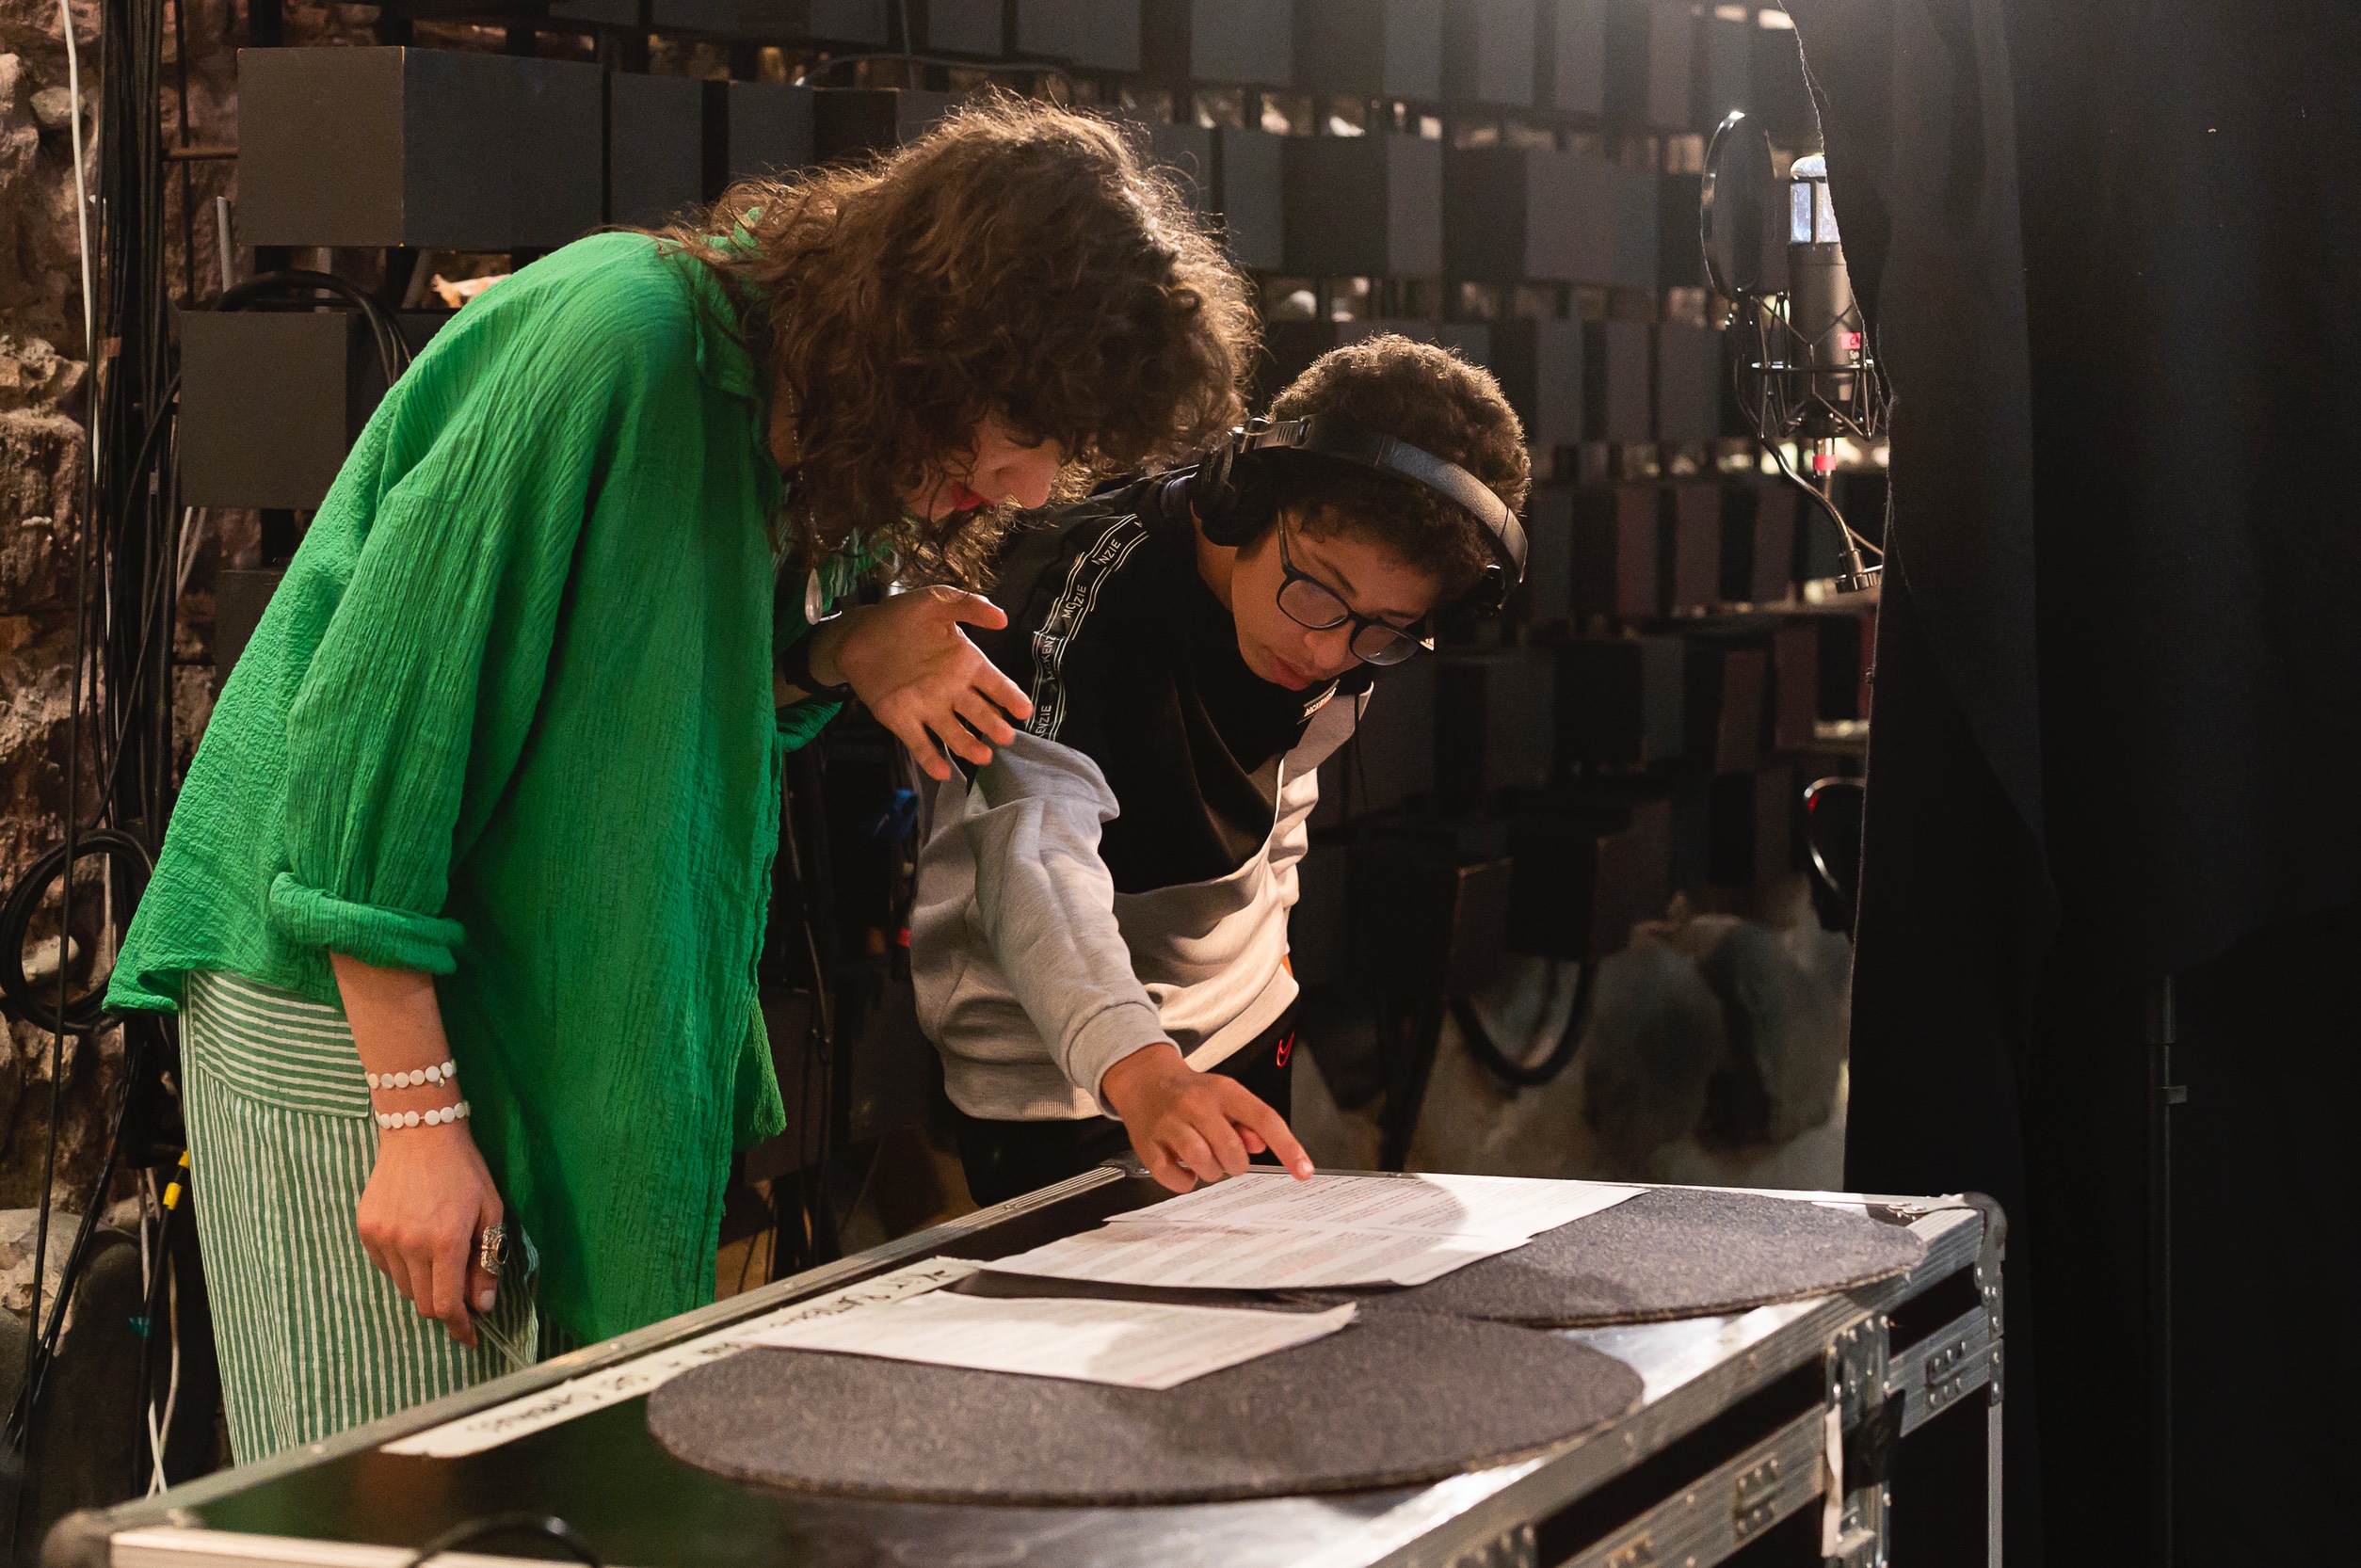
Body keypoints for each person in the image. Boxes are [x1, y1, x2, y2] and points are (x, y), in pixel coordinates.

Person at [104, 98, 1255, 1462]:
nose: (1028, 479)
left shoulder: (800, 436)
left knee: (550, 1486)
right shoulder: (621, 337)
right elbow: (375, 738)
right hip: (350, 999)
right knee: (392, 1501)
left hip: (534, 981)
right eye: (1024, 425)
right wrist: (417, 1118)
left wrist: (837, 653)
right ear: (931, 334)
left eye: (1066, 452)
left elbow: (635, 703)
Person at [912, 335, 1531, 1205]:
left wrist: (1268, 961)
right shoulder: (1081, 590)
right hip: (1068, 1074)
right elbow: (1033, 854)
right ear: (1246, 499)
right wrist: (1141, 1066)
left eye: (1383, 628)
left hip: (1245, 1021)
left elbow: (1289, 790)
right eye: (1316, 590)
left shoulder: (1352, 624)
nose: (1327, 652)